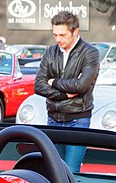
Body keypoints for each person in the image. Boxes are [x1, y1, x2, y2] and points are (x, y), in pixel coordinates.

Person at [34, 12, 100, 173]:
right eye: (55, 34)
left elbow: (80, 86)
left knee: (71, 170)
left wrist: (54, 82)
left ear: (75, 31)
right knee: (55, 170)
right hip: (53, 118)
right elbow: (38, 85)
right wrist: (64, 94)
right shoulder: (50, 52)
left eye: (62, 35)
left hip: (78, 118)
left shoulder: (90, 52)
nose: (58, 39)